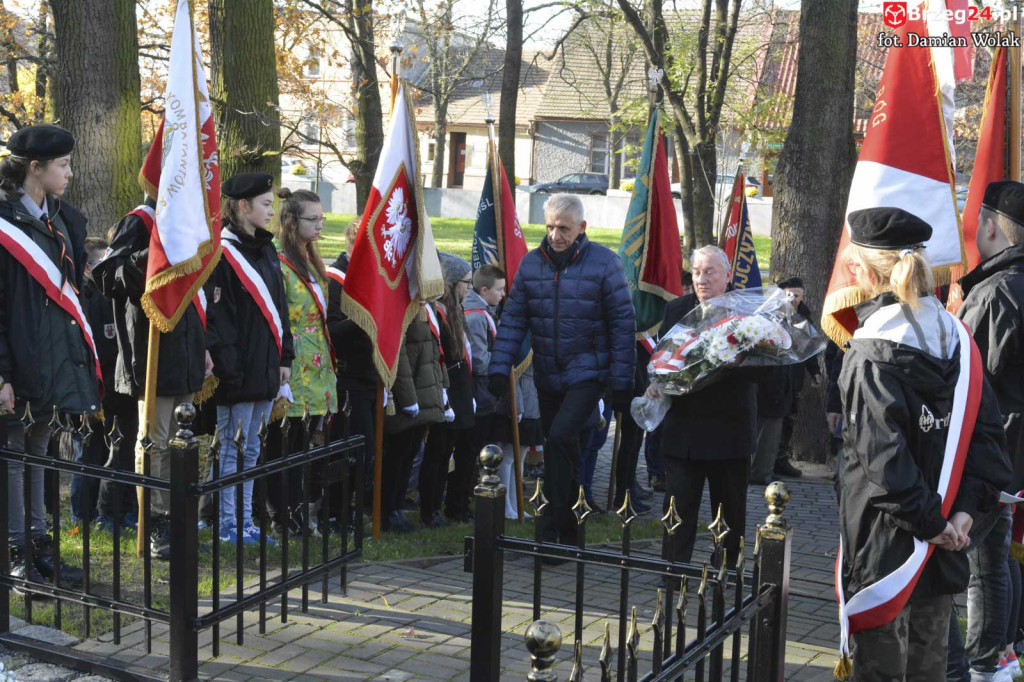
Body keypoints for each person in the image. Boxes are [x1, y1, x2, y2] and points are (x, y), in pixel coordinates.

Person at [835, 207, 1009, 681]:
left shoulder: (870, 353)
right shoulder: (959, 340)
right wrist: (961, 515)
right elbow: (988, 440)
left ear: (864, 271)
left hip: (889, 544)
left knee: (882, 668)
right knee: (930, 663)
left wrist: (932, 524)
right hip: (946, 535)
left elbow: (883, 462)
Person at [488, 193, 635, 544]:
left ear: (582, 228)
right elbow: (513, 319)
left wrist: (622, 381)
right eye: (551, 226)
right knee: (564, 451)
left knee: (560, 439)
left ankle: (549, 530)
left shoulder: (605, 263)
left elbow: (622, 323)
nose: (556, 235)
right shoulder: (531, 264)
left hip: (588, 373)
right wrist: (499, 365)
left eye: (564, 228)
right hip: (548, 374)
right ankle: (571, 535)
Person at [0, 123, 94, 589]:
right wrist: (2, 372)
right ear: (35, 168)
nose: (70, 173)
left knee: (40, 449)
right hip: (14, 359)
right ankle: (15, 549)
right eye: (63, 165)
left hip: (50, 354)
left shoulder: (63, 219)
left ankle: (38, 543)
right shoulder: (4, 220)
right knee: (13, 453)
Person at [94, 197, 210, 558]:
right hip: (152, 353)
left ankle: (177, 516)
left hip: (186, 351)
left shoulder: (190, 221)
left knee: (182, 443)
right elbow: (106, 276)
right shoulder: (139, 223)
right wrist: (151, 257)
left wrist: (202, 347)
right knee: (154, 444)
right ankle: (156, 521)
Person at [950, 181, 1024, 681]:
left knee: (976, 564)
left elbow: (970, 380)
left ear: (992, 226)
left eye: (978, 221)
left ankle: (976, 664)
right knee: (995, 561)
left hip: (993, 450)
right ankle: (997, 659)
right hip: (1014, 453)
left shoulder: (996, 292)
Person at [205, 173, 293, 545]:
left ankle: (244, 521)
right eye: (266, 205)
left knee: (252, 449)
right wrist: (230, 370)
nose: (272, 212)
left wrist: (285, 355)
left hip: (266, 365)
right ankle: (229, 523)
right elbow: (218, 320)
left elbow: (280, 309)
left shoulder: (267, 250)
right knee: (232, 449)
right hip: (237, 371)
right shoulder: (222, 253)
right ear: (243, 207)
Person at [652, 245, 753, 567]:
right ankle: (672, 568)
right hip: (685, 429)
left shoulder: (748, 311)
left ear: (727, 275)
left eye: (710, 272)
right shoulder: (676, 309)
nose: (702, 279)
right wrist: (657, 380)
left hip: (729, 428)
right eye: (696, 272)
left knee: (729, 511)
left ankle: (727, 568)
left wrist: (739, 363)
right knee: (678, 507)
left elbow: (771, 370)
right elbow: (664, 356)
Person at [266, 187, 337, 536]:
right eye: (313, 219)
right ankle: (281, 517)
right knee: (284, 446)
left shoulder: (309, 258)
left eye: (322, 218)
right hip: (292, 364)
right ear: (291, 222)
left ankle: (296, 513)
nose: (319, 225)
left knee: (304, 446)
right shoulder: (277, 260)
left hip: (318, 363)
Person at [418, 254, 475, 528]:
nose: (469, 288)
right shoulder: (437, 312)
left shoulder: (456, 310)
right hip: (446, 388)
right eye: (465, 282)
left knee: (449, 450)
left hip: (460, 389)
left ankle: (447, 505)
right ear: (451, 283)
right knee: (438, 453)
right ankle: (430, 509)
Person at [383, 304, 448, 532]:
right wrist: (408, 398)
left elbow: (434, 353)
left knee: (409, 453)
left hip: (424, 391)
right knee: (397, 455)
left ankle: (398, 507)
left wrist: (443, 389)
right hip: (408, 396)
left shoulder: (425, 308)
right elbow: (398, 355)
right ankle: (388, 511)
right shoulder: (402, 305)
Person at [327, 218, 376, 512]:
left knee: (369, 451)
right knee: (351, 449)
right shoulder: (336, 279)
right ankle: (334, 510)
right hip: (347, 376)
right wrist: (364, 316)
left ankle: (362, 508)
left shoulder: (370, 277)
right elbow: (331, 333)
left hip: (372, 374)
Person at [773, 276, 820, 479]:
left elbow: (809, 347)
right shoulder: (772, 313)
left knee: (790, 417)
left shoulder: (805, 316)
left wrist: (815, 371)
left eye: (797, 295)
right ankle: (765, 460)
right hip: (774, 376)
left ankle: (781, 459)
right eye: (788, 295)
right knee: (773, 419)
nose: (793, 299)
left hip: (795, 376)